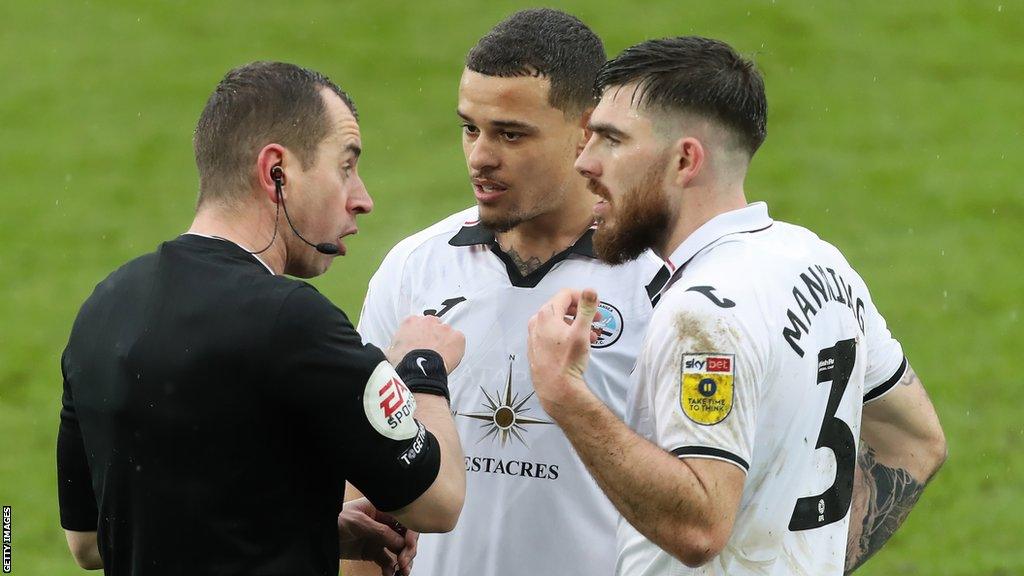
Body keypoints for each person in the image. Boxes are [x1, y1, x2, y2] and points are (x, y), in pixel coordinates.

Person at [527, 37, 947, 575]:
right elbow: (914, 441)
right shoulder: (817, 260)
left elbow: (700, 527)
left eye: (610, 140)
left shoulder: (703, 313)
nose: (584, 162)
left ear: (684, 160)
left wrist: (565, 395)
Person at [56, 61, 466, 576]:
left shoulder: (103, 307)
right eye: (345, 166)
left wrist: (318, 526)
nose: (362, 199)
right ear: (277, 171)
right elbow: (438, 501)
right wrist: (422, 367)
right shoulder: (292, 323)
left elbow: (90, 541)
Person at [343, 9, 665, 576]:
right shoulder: (416, 269)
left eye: (510, 134)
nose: (479, 157)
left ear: (587, 132)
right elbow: (367, 480)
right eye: (470, 127)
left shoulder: (660, 282)